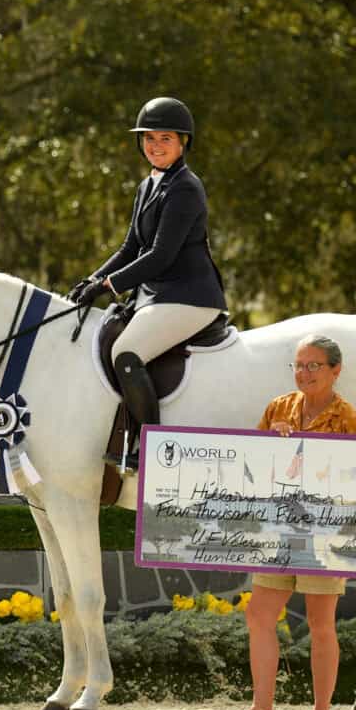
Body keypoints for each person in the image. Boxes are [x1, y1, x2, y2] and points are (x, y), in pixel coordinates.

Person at [213, 334, 356, 710]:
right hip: (277, 530)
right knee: (259, 613)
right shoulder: (278, 408)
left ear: (336, 370)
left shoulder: (350, 420)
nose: (304, 373)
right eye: (299, 365)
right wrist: (270, 444)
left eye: (313, 365)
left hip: (323, 533)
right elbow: (255, 469)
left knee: (320, 622)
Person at [68, 96, 226, 470]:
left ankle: (150, 448)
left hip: (190, 296)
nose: (155, 146)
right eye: (149, 138)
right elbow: (130, 247)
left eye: (165, 139)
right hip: (158, 295)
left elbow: (160, 256)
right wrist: (93, 278)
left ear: (183, 141)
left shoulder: (186, 188)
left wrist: (108, 286)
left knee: (127, 353)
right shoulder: (148, 185)